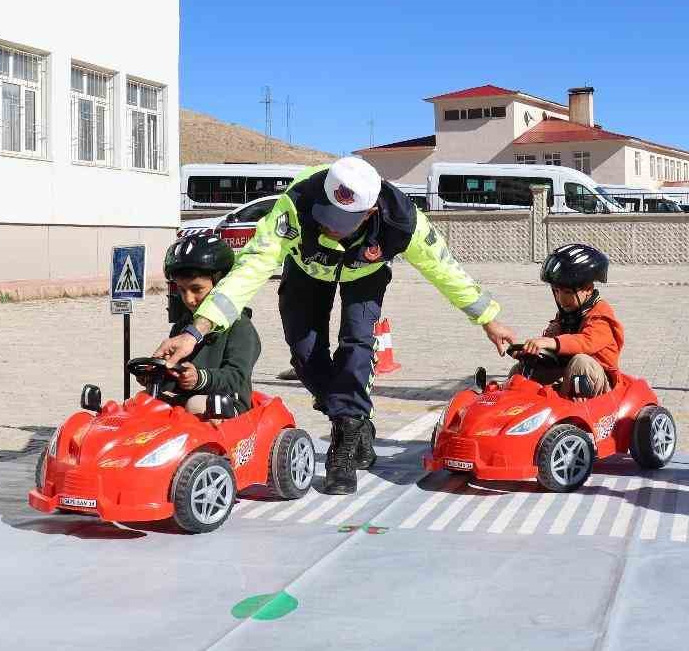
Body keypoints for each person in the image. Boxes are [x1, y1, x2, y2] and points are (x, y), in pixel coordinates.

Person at [153, 156, 515, 494]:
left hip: (365, 275)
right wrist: (195, 330)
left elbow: (445, 270)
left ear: (369, 212)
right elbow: (251, 268)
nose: (328, 225)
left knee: (356, 346)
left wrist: (489, 320)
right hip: (306, 270)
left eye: (340, 222)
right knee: (305, 354)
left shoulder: (403, 221)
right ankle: (357, 421)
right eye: (325, 214)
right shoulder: (296, 205)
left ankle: (344, 443)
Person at [157, 231, 259, 417]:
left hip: (227, 403)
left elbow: (237, 376)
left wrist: (200, 378)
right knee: (145, 403)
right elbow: (174, 375)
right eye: (182, 290)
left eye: (196, 289)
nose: (189, 299)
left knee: (195, 405)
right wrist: (155, 374)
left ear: (220, 286)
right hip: (187, 397)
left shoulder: (240, 326)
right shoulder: (183, 327)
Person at [511, 244, 623, 397]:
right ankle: (514, 406)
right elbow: (553, 349)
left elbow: (586, 342)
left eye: (568, 292)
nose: (561, 299)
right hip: (567, 372)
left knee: (581, 362)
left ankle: (565, 409)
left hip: (598, 382)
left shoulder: (601, 314)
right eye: (556, 291)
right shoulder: (567, 313)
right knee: (519, 370)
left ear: (588, 289)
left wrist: (552, 342)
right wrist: (531, 352)